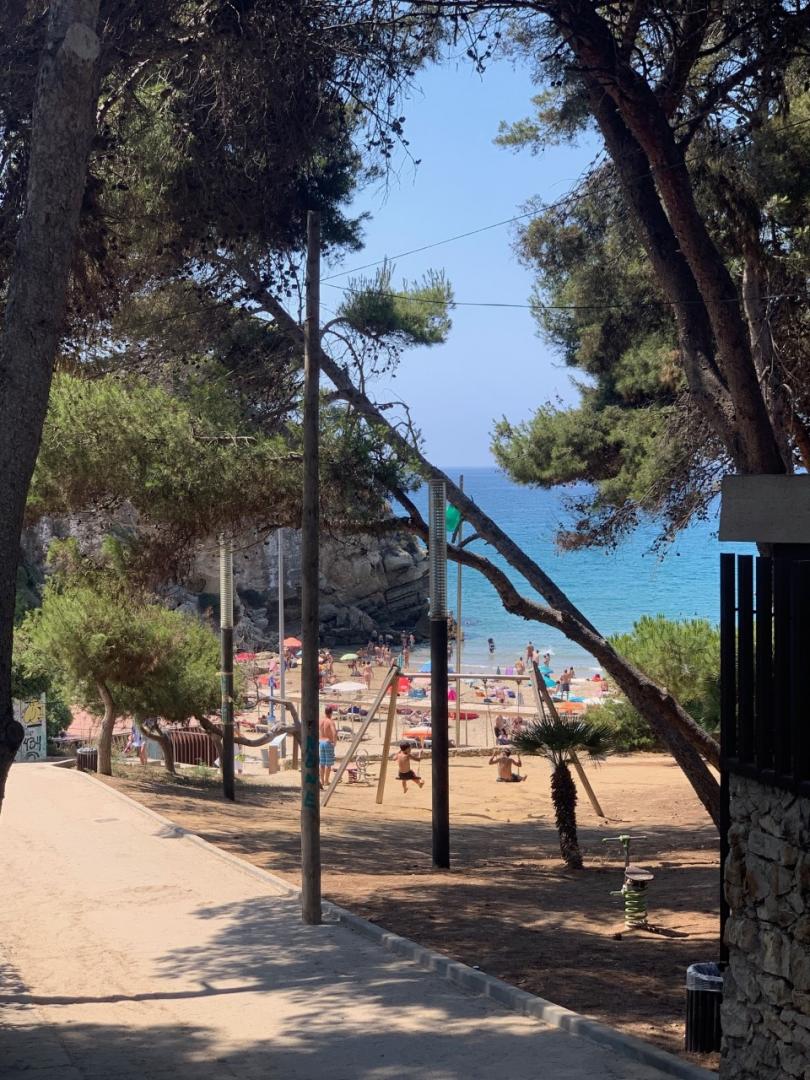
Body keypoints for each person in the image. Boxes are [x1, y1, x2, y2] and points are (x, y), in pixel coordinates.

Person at [319, 705, 338, 789]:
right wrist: (334, 742)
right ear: (331, 713)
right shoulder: (330, 721)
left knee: (322, 763)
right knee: (328, 763)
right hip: (328, 742)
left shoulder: (321, 721)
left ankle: (322, 781)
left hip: (321, 742)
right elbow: (334, 732)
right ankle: (326, 781)